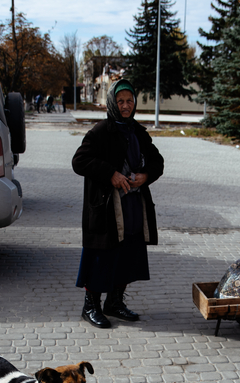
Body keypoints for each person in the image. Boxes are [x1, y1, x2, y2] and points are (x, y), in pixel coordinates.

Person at [71, 79, 164, 328]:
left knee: (127, 255)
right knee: (101, 257)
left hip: (132, 207)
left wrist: (146, 176)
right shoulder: (101, 131)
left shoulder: (138, 132)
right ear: (112, 102)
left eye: (129, 101)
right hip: (106, 209)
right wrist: (110, 173)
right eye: (121, 101)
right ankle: (91, 306)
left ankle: (114, 302)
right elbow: (79, 162)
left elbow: (157, 162)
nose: (125, 106)